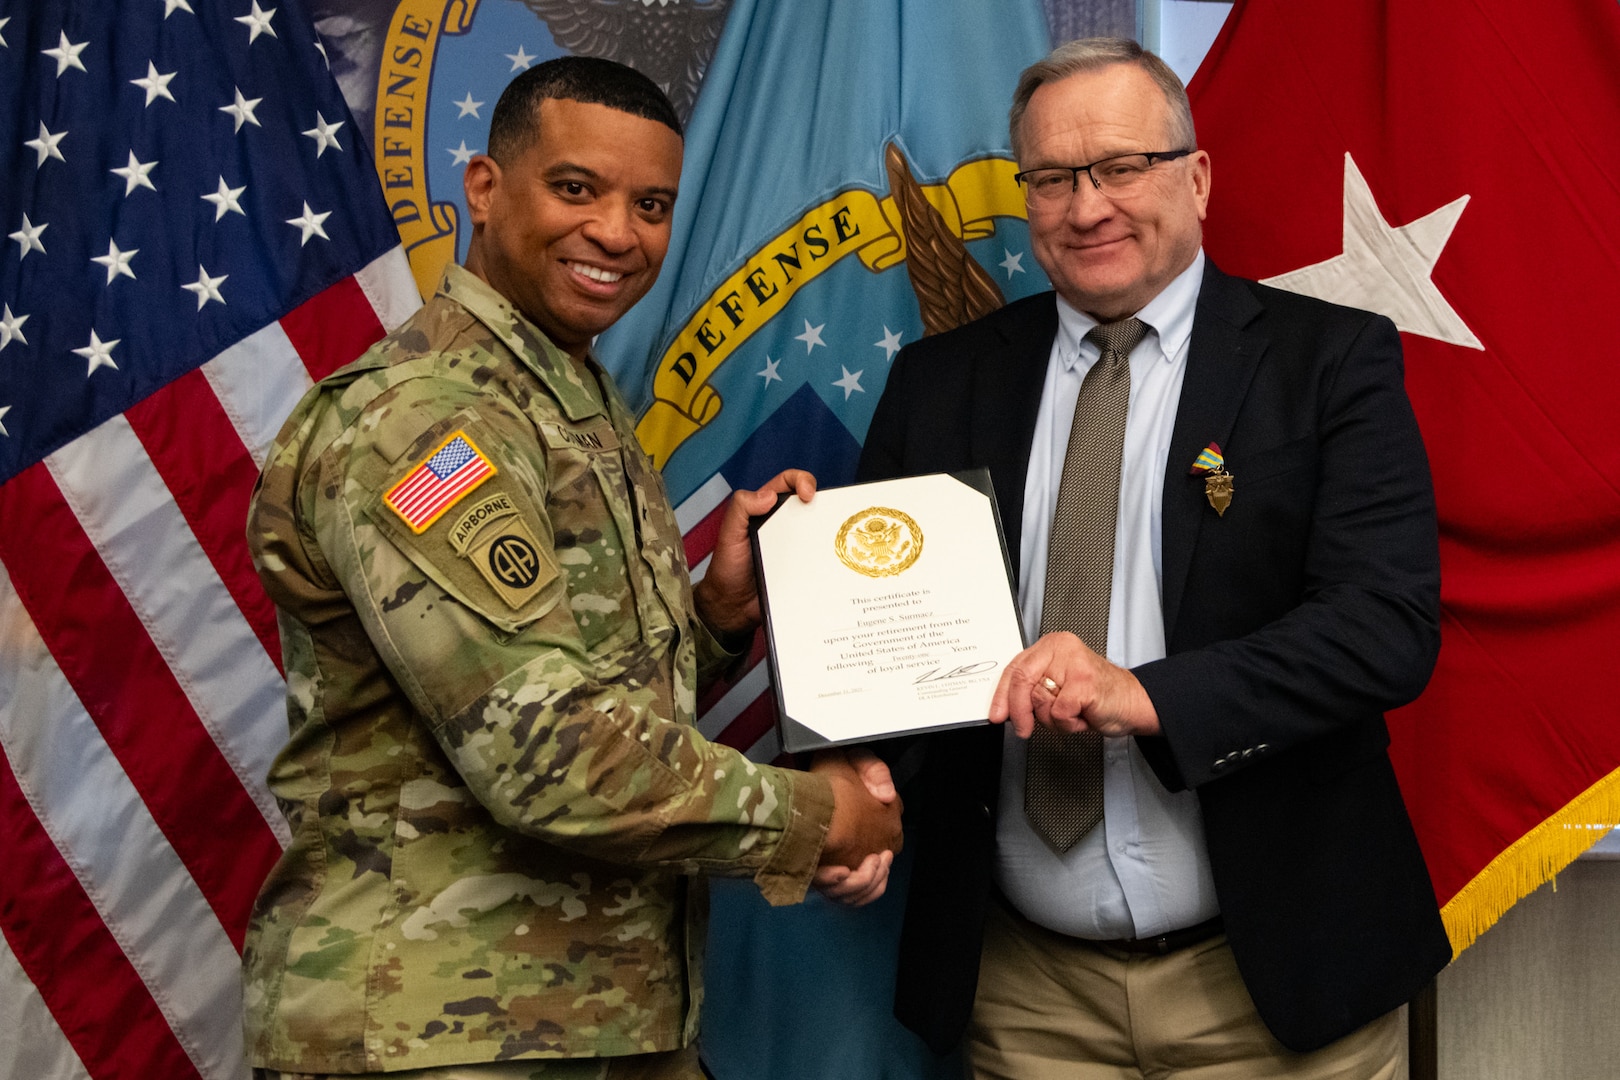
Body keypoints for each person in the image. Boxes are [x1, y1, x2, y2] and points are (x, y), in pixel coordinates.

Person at [242, 57, 900, 1080]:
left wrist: (714, 618)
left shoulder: (562, 393)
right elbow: (542, 747)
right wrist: (820, 818)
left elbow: (569, 679)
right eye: (576, 188)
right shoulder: (431, 418)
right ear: (486, 187)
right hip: (440, 1030)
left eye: (651, 205)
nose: (617, 234)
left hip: (590, 1015)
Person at [857, 38, 1451, 1079]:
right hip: (1025, 996)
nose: (1088, 207)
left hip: (1277, 987)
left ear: (1198, 176)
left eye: (1123, 167)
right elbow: (880, 641)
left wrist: (1145, 696)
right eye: (1051, 179)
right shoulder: (938, 384)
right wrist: (847, 766)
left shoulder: (1329, 363)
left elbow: (1383, 631)